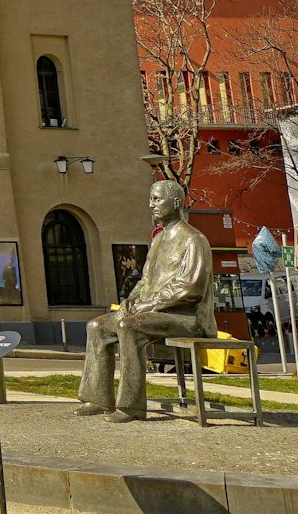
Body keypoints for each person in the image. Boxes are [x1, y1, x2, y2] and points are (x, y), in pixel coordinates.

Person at [75, 179, 213, 422]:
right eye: (151, 199)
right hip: (153, 311)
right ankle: (97, 398)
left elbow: (190, 289)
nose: (151, 205)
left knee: (128, 326)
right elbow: (146, 280)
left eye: (157, 199)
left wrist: (146, 305)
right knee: (97, 327)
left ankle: (131, 407)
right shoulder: (159, 240)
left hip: (188, 317)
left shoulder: (194, 240)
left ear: (177, 202)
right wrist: (132, 299)